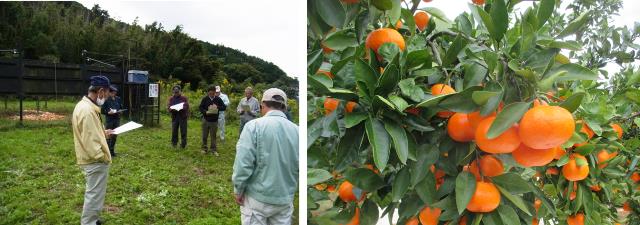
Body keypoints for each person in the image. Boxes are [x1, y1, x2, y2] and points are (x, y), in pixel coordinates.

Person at [232, 88, 299, 225]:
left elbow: (243, 163)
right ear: (285, 108)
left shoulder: (253, 126)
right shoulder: (298, 131)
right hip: (284, 199)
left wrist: (238, 189)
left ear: (262, 105)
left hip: (257, 198)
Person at [72, 75, 114, 225]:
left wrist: (104, 133)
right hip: (95, 161)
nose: (107, 97)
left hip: (91, 159)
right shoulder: (88, 111)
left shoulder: (86, 106)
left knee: (95, 194)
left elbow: (90, 132)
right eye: (108, 93)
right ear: (101, 91)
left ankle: (93, 220)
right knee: (94, 195)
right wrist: (102, 157)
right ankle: (89, 222)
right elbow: (91, 142)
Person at [199, 85, 227, 156]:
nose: (211, 95)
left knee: (213, 136)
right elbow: (200, 107)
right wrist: (205, 112)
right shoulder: (205, 99)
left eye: (213, 93)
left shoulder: (218, 99)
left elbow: (224, 107)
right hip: (205, 120)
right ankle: (204, 149)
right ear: (208, 92)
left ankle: (213, 150)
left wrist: (217, 107)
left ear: (215, 92)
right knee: (204, 135)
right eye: (210, 93)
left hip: (214, 121)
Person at [101, 85, 123, 157]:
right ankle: (106, 152)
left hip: (117, 119)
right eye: (113, 92)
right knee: (108, 135)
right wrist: (108, 112)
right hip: (109, 120)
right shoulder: (106, 100)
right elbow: (102, 111)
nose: (114, 94)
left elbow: (120, 107)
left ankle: (112, 151)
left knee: (115, 135)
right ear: (109, 93)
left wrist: (120, 111)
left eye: (115, 92)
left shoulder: (118, 99)